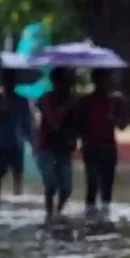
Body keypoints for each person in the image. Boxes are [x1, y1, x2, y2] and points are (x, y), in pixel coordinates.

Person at [77, 69, 127, 221]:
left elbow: (122, 125)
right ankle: (90, 219)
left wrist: (114, 118)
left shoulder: (115, 101)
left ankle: (104, 220)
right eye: (102, 80)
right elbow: (80, 126)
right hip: (91, 148)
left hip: (108, 148)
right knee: (92, 186)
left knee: (107, 187)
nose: (105, 83)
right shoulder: (85, 101)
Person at [35, 67, 78, 226]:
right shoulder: (45, 99)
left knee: (66, 188)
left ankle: (57, 213)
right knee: (51, 182)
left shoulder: (73, 101)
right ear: (57, 82)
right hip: (46, 148)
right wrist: (67, 106)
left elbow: (76, 126)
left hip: (63, 149)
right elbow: (54, 122)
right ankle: (49, 214)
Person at [0, 69, 33, 202]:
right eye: (6, 80)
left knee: (17, 174)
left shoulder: (22, 100)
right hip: (1, 141)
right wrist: (2, 110)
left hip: (16, 141)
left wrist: (31, 140)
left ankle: (18, 198)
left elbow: (27, 121)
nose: (9, 84)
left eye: (11, 81)